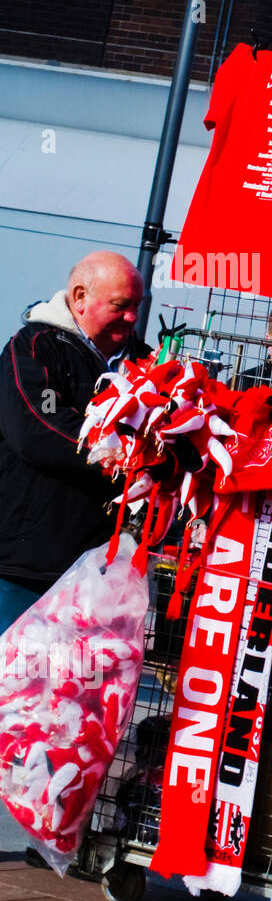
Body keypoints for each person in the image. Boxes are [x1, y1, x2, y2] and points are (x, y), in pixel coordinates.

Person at [0, 251, 145, 630]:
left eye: (137, 306)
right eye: (121, 305)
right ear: (79, 297)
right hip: (23, 567)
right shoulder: (35, 347)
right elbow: (37, 426)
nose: (132, 316)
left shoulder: (146, 362)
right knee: (11, 681)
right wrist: (122, 457)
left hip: (97, 572)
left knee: (68, 687)